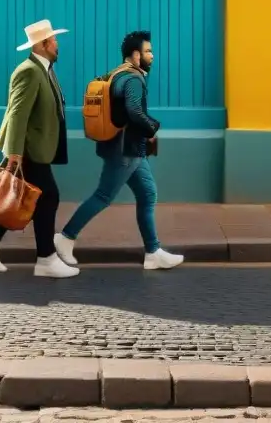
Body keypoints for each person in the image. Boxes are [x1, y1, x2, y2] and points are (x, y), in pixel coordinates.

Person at [55, 30, 184, 271]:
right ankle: (65, 237)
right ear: (135, 55)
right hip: (125, 150)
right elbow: (134, 111)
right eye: (148, 51)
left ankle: (153, 252)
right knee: (103, 196)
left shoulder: (115, 74)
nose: (152, 56)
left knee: (148, 194)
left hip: (124, 147)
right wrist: (153, 127)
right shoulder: (134, 79)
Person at [0, 19, 78, 278]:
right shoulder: (28, 71)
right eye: (54, 40)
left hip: (38, 147)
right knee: (48, 196)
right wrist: (14, 152)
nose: (57, 44)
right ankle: (46, 259)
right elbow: (16, 114)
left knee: (20, 197)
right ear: (42, 44)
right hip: (27, 149)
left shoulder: (45, 69)